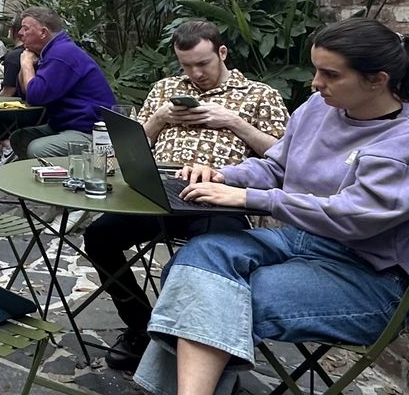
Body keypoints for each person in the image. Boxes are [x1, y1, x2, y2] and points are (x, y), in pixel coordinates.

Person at [125, 18, 409, 395]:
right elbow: (277, 167)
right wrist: (223, 173)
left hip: (370, 278)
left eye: (329, 75)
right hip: (303, 242)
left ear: (377, 81)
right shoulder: (319, 111)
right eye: (315, 72)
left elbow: (356, 219)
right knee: (203, 254)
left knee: (220, 295)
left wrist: (248, 198)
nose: (315, 84)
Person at [84, 19, 289, 372]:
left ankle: (206, 354)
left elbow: (286, 157)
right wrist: (160, 118)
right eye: (186, 66)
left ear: (222, 53)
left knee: (204, 263)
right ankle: (140, 328)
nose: (195, 74)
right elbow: (131, 147)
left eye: (203, 64)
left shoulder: (259, 95)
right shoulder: (165, 89)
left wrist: (234, 122)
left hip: (220, 196)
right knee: (98, 236)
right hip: (159, 189)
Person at [7, 7, 117, 160]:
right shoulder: (52, 51)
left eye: (25, 29)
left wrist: (26, 64)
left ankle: (59, 179)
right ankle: (41, 176)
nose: (19, 33)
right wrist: (26, 61)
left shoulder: (62, 54)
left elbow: (35, 96)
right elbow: (26, 92)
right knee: (20, 138)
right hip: (65, 125)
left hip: (92, 132)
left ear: (43, 33)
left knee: (37, 149)